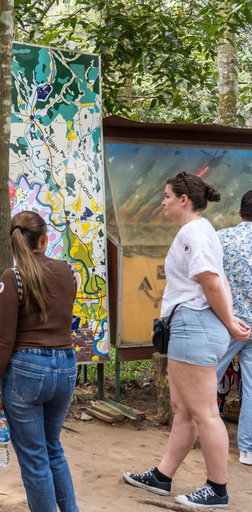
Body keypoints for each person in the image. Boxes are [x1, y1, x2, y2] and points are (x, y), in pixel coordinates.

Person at [124, 172, 250, 509]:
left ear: (184, 199)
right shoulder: (200, 229)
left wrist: (229, 322)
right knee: (184, 409)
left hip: (194, 326)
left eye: (167, 195)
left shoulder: (193, 231)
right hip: (189, 325)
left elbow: (210, 281)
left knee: (206, 412)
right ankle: (162, 476)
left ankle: (216, 489)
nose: (162, 201)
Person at [0, 210, 80, 512]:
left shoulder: (12, 278)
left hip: (27, 372)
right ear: (44, 238)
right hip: (65, 367)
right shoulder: (66, 271)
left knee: (35, 459)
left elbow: (5, 340)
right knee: (53, 450)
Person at [216, 190, 252, 466]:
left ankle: (194, 432)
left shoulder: (222, 238)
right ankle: (247, 449)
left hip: (226, 323)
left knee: (204, 377)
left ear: (240, 212)